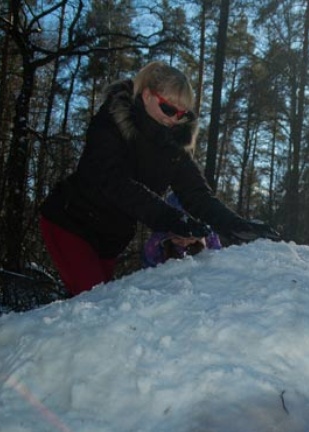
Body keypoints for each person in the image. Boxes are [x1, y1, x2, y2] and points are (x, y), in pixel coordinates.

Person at [40, 61, 278, 296]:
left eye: (182, 114)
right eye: (168, 109)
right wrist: (171, 219)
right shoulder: (111, 122)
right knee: (90, 299)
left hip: (110, 239)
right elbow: (114, 183)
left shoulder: (173, 147)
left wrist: (236, 225)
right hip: (72, 223)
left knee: (96, 303)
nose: (174, 119)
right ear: (146, 96)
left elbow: (197, 195)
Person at [141, 193, 222, 268]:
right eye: (177, 238)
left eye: (191, 238)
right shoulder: (155, 248)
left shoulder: (210, 243)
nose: (184, 243)